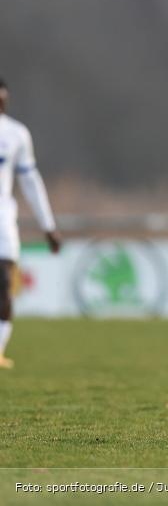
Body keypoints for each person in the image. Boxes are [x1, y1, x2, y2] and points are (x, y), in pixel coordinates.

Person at [0, 78, 62, 369]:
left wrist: (48, 225)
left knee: (4, 282)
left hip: (2, 220)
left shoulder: (16, 134)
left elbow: (30, 182)